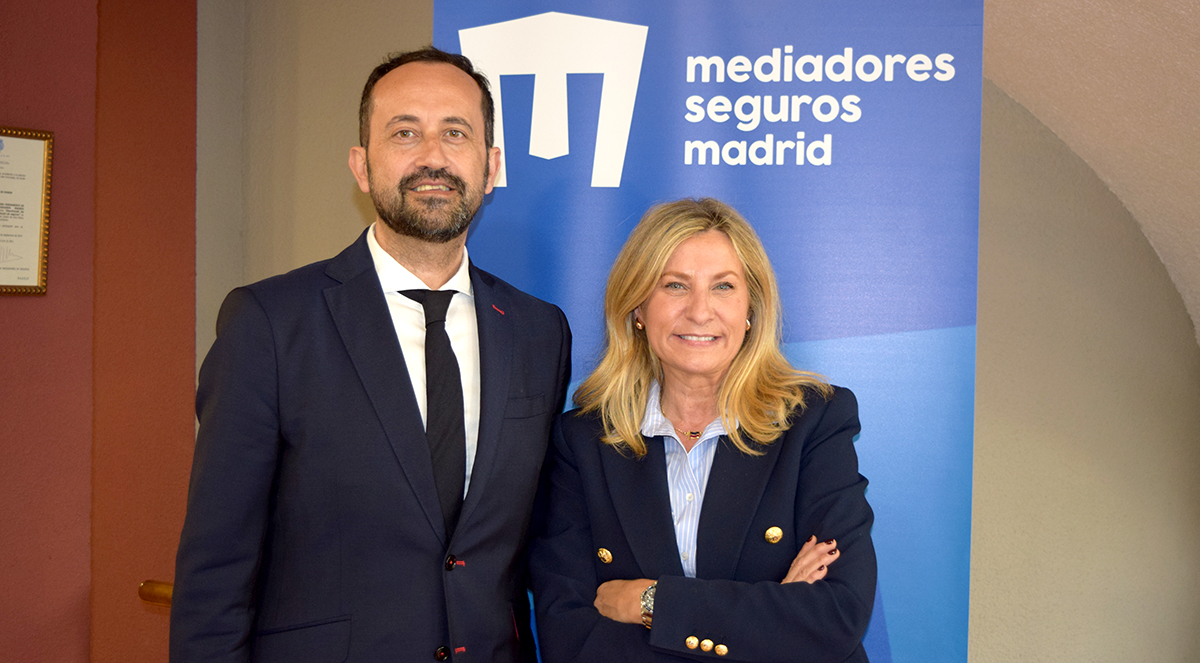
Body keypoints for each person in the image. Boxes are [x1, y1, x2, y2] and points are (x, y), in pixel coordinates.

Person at [170, 48, 571, 663]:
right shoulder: (270, 324)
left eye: (455, 133)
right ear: (362, 166)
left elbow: (532, 543)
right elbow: (216, 567)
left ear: (491, 167)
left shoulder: (538, 332)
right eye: (405, 133)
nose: (433, 157)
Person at [529, 198, 875, 662]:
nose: (699, 311)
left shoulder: (816, 422)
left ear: (751, 308)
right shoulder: (583, 442)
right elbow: (570, 640)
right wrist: (771, 619)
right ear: (637, 307)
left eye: (723, 287)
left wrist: (651, 602)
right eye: (675, 285)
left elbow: (835, 616)